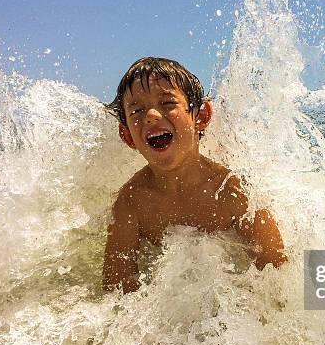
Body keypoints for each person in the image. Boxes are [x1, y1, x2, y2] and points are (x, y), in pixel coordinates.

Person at [103, 57, 287, 293]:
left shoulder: (234, 191)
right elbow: (116, 290)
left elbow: (277, 275)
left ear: (200, 117)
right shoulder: (131, 203)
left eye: (167, 102)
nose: (150, 115)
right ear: (127, 135)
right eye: (136, 110)